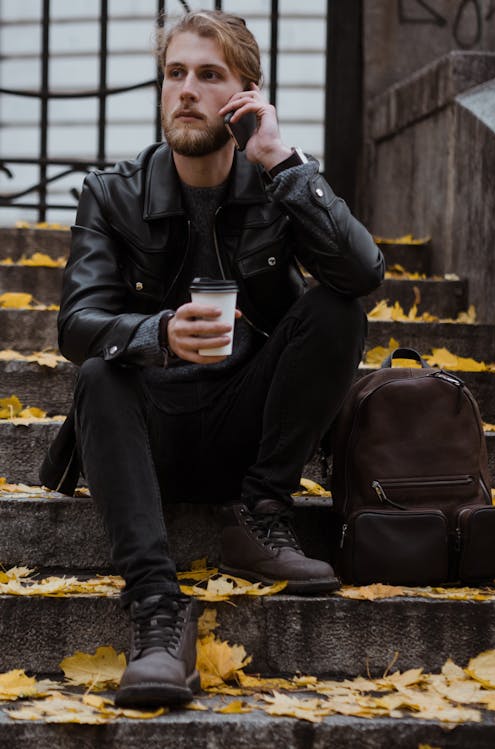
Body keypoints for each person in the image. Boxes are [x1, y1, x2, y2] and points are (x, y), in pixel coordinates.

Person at [40, 10, 384, 708]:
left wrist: (285, 162)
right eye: (174, 74)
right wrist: (158, 333)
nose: (186, 90)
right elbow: (77, 323)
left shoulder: (276, 184)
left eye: (208, 75)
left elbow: (362, 271)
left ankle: (259, 514)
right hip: (149, 436)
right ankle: (158, 613)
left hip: (244, 429)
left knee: (339, 306)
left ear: (245, 95)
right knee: (104, 366)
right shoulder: (113, 193)